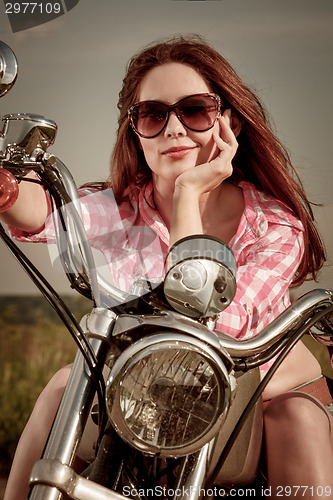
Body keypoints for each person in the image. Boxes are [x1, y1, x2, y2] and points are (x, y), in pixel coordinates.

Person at [2, 34, 332, 499]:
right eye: (154, 115)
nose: (174, 127)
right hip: (146, 390)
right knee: (62, 387)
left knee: (297, 419)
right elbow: (49, 214)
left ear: (228, 123)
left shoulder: (273, 225)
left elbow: (210, 322)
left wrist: (188, 195)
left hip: (255, 390)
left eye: (194, 110)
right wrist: (10, 190)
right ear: (135, 131)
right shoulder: (123, 209)